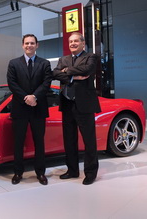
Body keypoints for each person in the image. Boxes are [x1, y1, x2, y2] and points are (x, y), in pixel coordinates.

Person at [53, 32, 101, 185]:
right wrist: (73, 76)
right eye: (70, 41)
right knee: (69, 140)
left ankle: (90, 173)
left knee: (89, 141)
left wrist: (66, 71)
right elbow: (54, 73)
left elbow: (87, 70)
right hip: (67, 104)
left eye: (76, 41)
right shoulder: (63, 59)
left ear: (82, 43)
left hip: (85, 105)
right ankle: (72, 170)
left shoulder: (91, 57)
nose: (73, 43)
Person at [6, 34, 52, 185]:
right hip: (20, 108)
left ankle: (40, 173)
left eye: (32, 43)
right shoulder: (14, 63)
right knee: (18, 142)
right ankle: (18, 173)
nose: (29, 45)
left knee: (39, 142)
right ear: (22, 45)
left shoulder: (45, 63)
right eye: (27, 43)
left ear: (37, 45)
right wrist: (26, 97)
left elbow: (46, 83)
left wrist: (35, 97)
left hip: (38, 108)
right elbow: (12, 83)